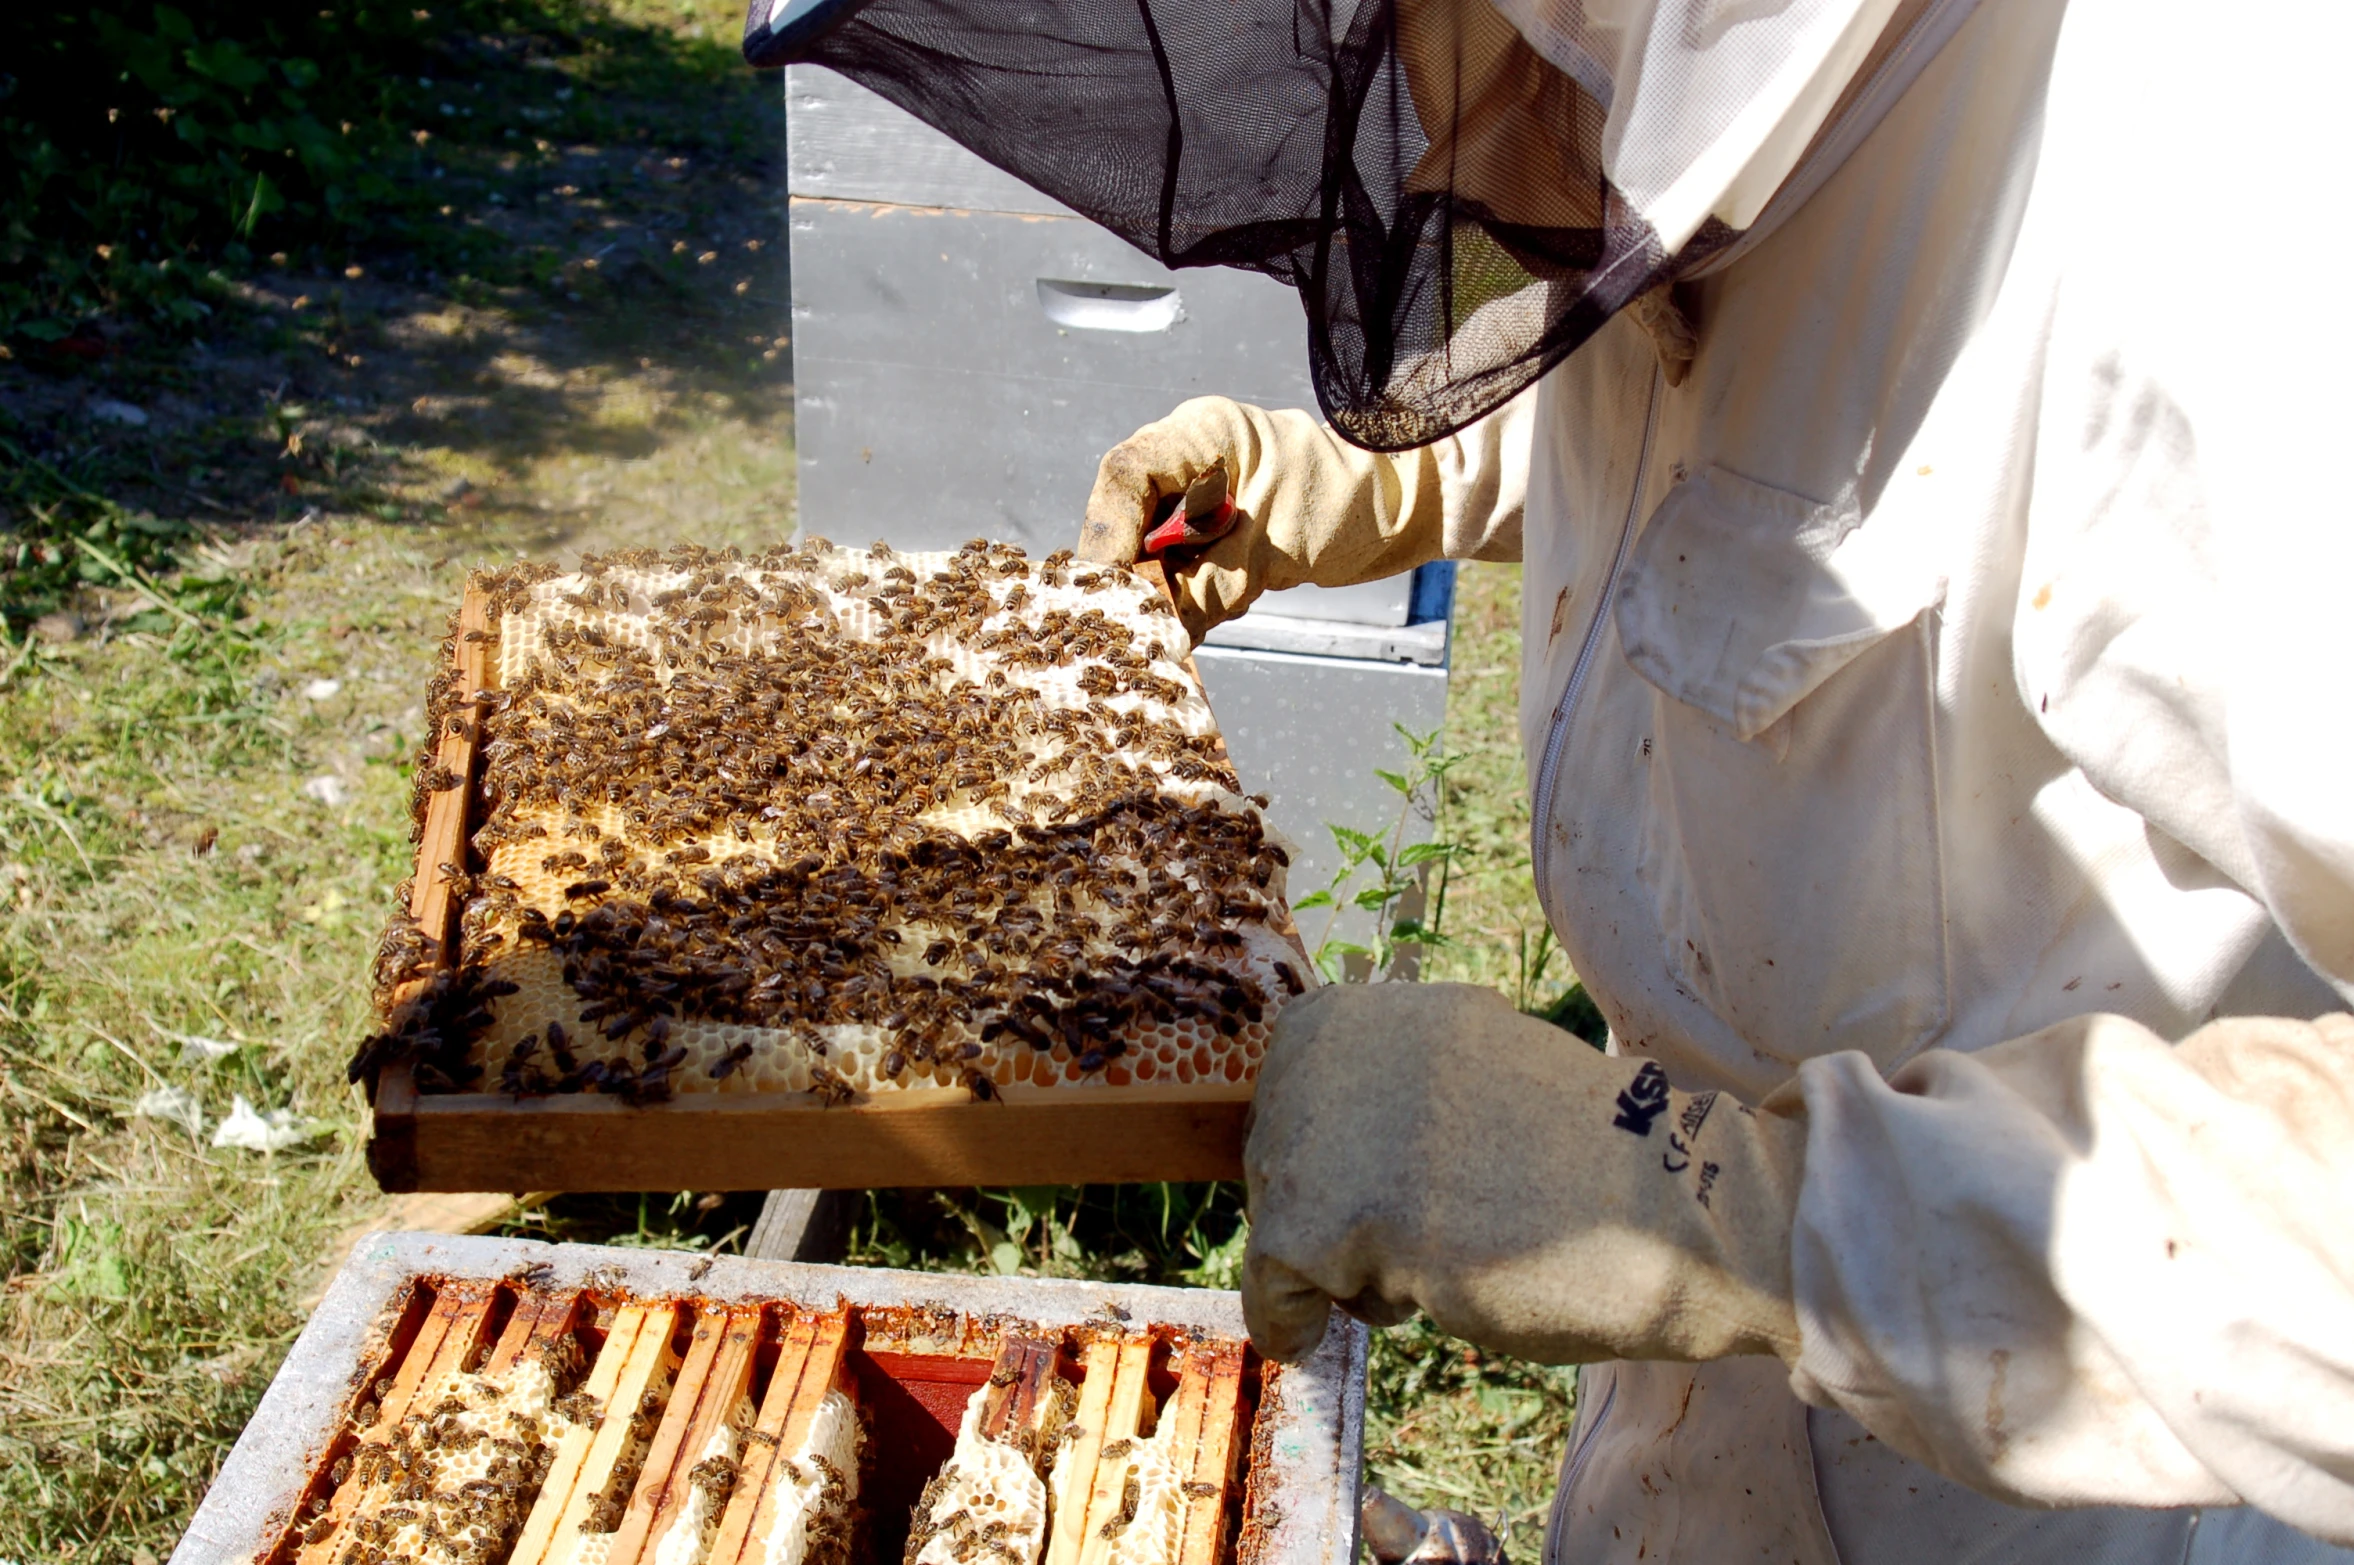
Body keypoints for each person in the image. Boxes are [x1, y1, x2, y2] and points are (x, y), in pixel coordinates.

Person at [1066, 2, 2354, 1561]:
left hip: (2092, 1474)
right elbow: (1783, 421)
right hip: (1704, 1439)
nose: (1393, 100)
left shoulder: (2243, 208)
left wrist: (1742, 1218)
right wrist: (1397, 473)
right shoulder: (1711, 97)